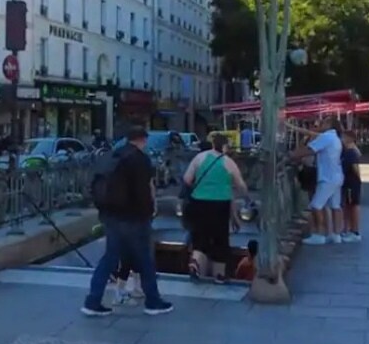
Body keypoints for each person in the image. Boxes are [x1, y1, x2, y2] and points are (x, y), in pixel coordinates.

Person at [83, 126, 173, 317]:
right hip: (133, 218)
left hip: (110, 215)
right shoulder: (140, 159)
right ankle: (153, 301)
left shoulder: (113, 156)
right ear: (143, 140)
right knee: (145, 259)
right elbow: (143, 192)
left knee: (109, 258)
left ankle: (92, 300)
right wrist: (148, 212)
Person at [182, 132, 248, 282]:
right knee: (220, 240)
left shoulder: (200, 158)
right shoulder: (228, 162)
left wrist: (200, 188)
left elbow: (186, 179)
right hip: (220, 205)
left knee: (199, 238)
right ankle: (219, 275)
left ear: (212, 144)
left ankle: (195, 262)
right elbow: (241, 186)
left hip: (198, 202)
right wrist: (245, 199)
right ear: (225, 146)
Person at [298, 117, 344, 245]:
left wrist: (292, 155)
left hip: (327, 177)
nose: (322, 124)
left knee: (315, 205)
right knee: (335, 205)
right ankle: (336, 234)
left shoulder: (327, 137)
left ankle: (319, 234)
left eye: (324, 122)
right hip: (337, 176)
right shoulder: (335, 138)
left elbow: (310, 150)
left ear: (330, 124)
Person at [341, 131, 363, 243]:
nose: (341, 139)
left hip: (351, 182)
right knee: (349, 207)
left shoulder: (351, 153)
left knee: (353, 206)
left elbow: (355, 168)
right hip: (349, 183)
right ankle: (350, 229)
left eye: (343, 137)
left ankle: (355, 231)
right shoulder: (349, 151)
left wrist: (358, 179)